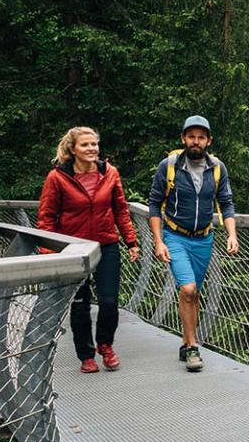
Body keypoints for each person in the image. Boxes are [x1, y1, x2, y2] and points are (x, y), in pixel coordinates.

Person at [38, 126, 140, 374]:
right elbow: (46, 217)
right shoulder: (57, 178)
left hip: (106, 244)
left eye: (94, 144)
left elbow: (121, 210)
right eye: (85, 145)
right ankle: (86, 355)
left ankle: (105, 345)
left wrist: (131, 241)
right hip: (72, 249)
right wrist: (48, 253)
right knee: (80, 303)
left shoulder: (110, 173)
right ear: (73, 149)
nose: (92, 149)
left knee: (109, 301)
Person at [148, 115, 237, 373]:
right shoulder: (170, 166)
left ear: (208, 140)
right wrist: (158, 241)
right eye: (191, 136)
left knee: (194, 292)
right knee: (187, 290)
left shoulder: (217, 168)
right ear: (183, 138)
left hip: (204, 239)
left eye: (200, 137)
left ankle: (186, 341)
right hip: (175, 236)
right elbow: (154, 204)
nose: (195, 141)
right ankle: (193, 347)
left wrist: (232, 234)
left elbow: (226, 203)